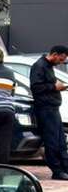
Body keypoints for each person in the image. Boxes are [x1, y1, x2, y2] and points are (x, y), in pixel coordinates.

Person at [30, 44, 68, 180]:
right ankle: (57, 170)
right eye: (61, 59)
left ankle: (65, 167)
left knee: (61, 141)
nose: (61, 62)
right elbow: (36, 87)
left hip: (53, 108)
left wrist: (58, 87)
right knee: (52, 141)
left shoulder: (48, 67)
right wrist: (54, 87)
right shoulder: (39, 66)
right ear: (55, 54)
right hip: (45, 109)